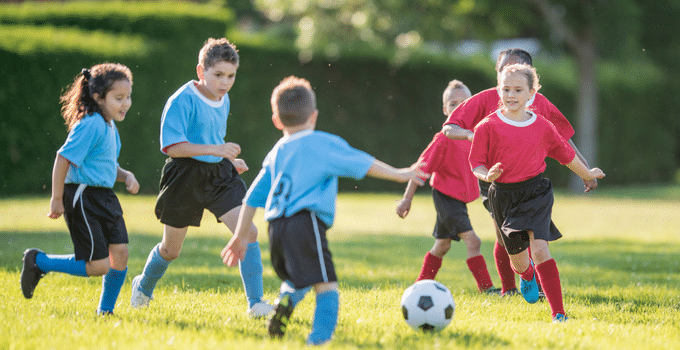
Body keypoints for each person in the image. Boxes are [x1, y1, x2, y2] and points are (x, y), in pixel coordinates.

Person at [220, 76, 428, 345]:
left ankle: (285, 303)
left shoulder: (276, 152)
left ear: (277, 120)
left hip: (276, 229)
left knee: (301, 276)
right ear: (314, 116)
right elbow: (363, 163)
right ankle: (318, 340)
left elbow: (251, 198)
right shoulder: (321, 143)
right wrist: (401, 174)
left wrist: (239, 236)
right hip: (304, 223)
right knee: (327, 286)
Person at [129, 38, 273, 317]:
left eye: (231, 76)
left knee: (249, 232)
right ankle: (143, 286)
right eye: (218, 75)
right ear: (201, 71)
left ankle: (255, 304)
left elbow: (212, 139)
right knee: (171, 250)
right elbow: (173, 147)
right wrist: (215, 150)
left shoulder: (224, 97)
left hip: (218, 174)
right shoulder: (181, 100)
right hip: (184, 176)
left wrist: (227, 158)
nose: (225, 82)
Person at [441, 48, 597, 297]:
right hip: (493, 181)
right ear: (498, 73)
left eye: (516, 69)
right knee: (505, 237)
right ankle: (510, 287)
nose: (509, 76)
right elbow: (449, 127)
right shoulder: (486, 99)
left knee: (535, 241)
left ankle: (538, 286)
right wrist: (473, 134)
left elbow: (563, 139)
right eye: (504, 69)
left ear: (530, 78)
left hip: (530, 183)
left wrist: (584, 169)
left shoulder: (540, 103)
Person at [468, 63, 605, 322]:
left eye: (518, 89)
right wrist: (487, 176)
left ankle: (559, 314)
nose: (511, 95)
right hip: (503, 197)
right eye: (505, 89)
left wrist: (587, 174)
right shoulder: (487, 126)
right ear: (498, 90)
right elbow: (476, 163)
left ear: (532, 92)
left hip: (536, 193)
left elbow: (566, 155)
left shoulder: (542, 126)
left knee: (541, 249)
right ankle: (527, 274)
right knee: (518, 262)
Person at [21, 63, 139, 316]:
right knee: (99, 266)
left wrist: (126, 175)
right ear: (98, 97)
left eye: (128, 96)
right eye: (118, 98)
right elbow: (63, 158)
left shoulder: (110, 127)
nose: (126, 103)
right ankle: (38, 262)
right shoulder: (91, 124)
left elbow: (105, 166)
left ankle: (105, 311)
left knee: (121, 254)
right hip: (83, 196)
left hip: (105, 196)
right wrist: (56, 198)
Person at [396, 80, 500, 294]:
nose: (459, 108)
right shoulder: (443, 139)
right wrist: (407, 199)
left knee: (442, 246)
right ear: (445, 110)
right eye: (453, 104)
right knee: (474, 242)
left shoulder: (475, 135)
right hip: (446, 197)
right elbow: (420, 169)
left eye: (465, 103)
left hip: (459, 199)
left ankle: (419, 287)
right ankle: (486, 288)